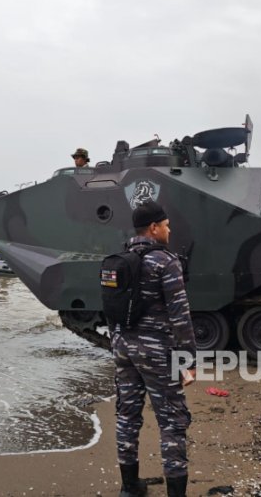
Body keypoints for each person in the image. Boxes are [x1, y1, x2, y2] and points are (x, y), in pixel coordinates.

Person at [113, 201, 197, 497]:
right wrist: (189, 358)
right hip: (158, 351)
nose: (169, 230)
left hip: (123, 347)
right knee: (172, 420)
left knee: (127, 416)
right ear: (153, 228)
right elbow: (180, 316)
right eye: (166, 225)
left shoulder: (122, 258)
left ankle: (129, 488)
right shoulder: (165, 261)